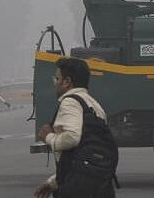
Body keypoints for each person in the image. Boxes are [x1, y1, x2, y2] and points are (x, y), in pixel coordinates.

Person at [34, 58, 116, 198]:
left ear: (67, 82)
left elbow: (72, 138)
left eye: (57, 79)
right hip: (101, 183)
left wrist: (48, 137)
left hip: (78, 188)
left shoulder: (70, 102)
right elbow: (82, 154)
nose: (55, 83)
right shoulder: (94, 105)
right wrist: (53, 183)